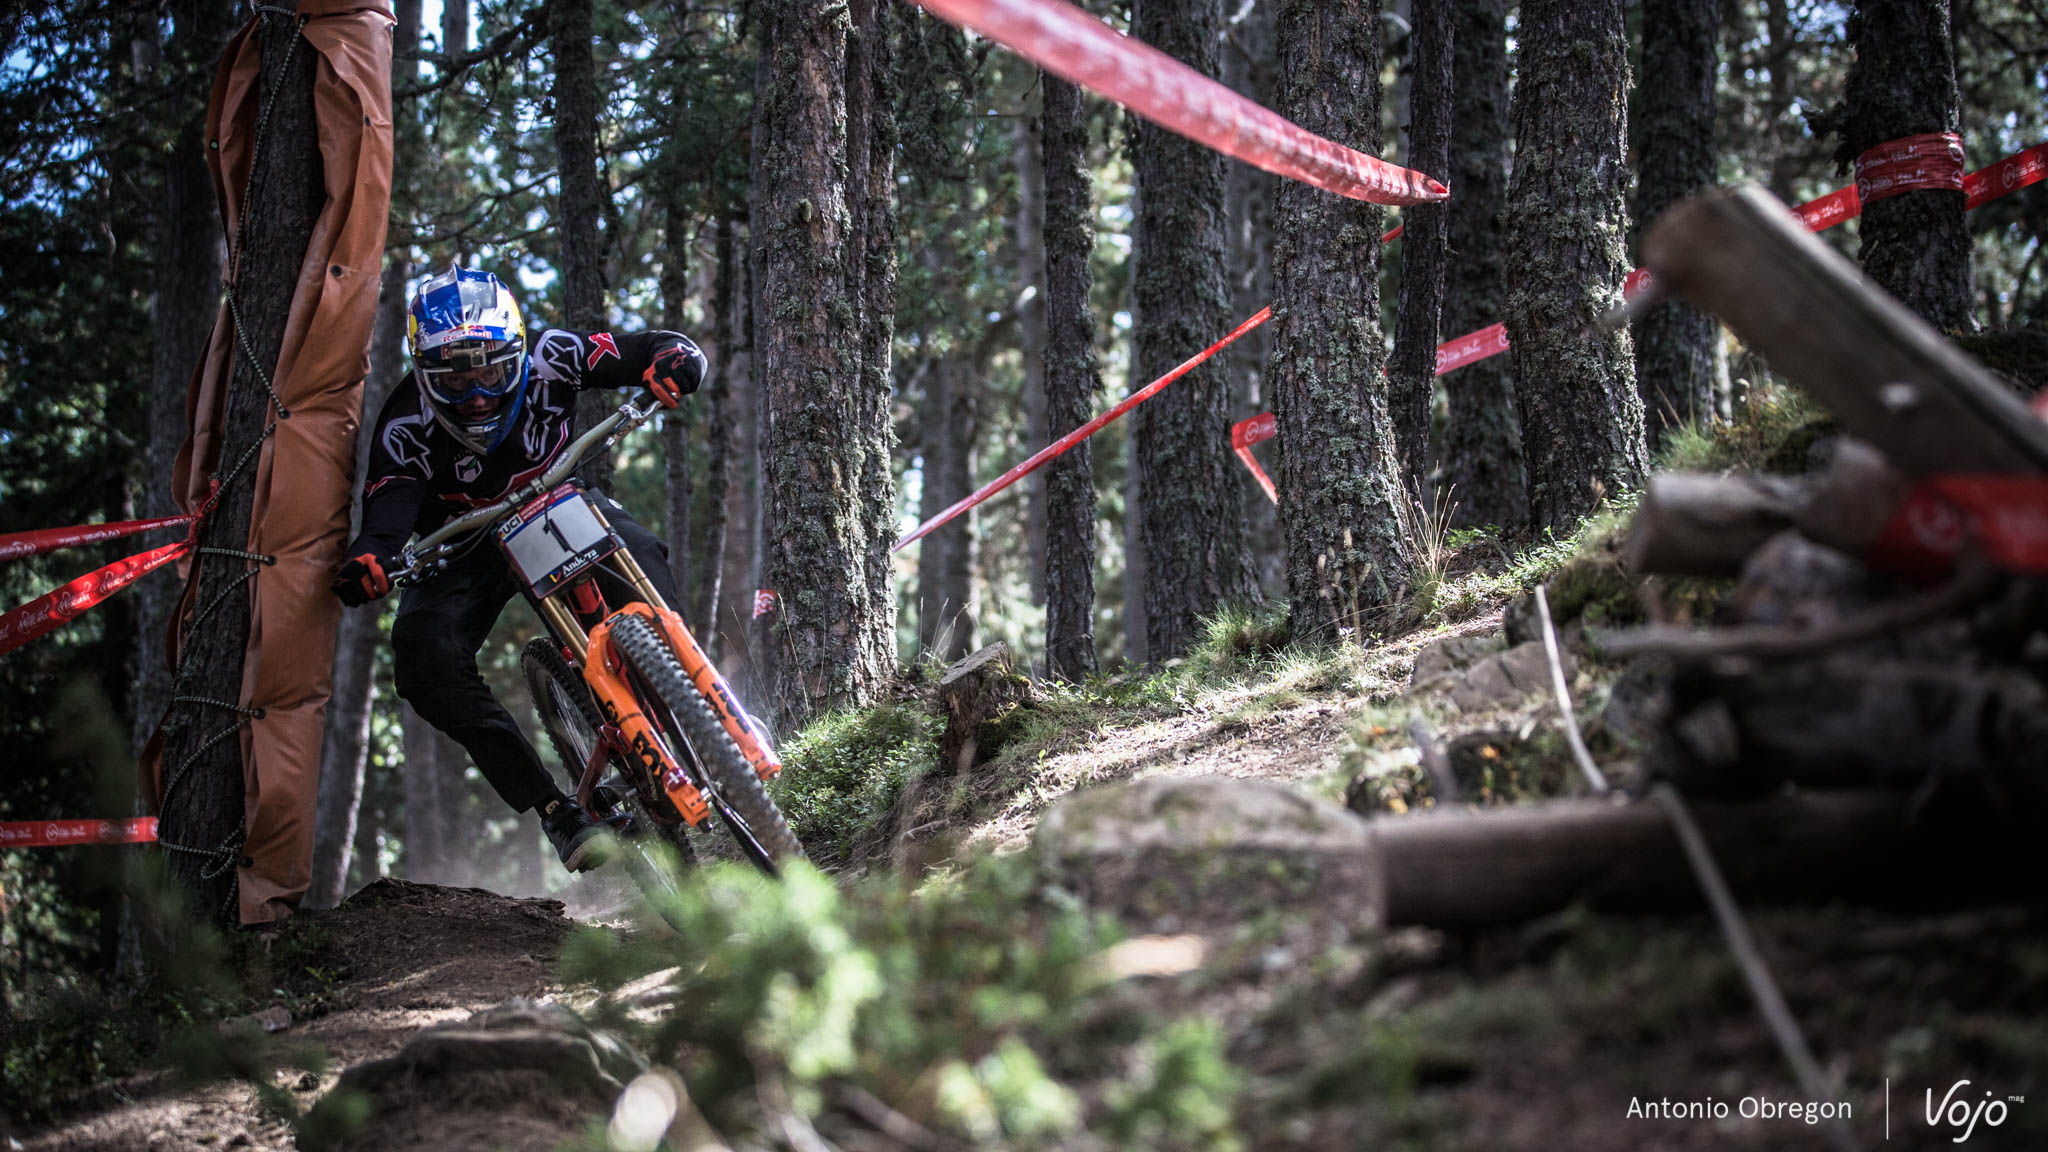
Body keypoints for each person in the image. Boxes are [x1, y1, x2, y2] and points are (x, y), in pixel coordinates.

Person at [331, 265, 705, 872]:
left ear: (520, 351)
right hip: (463, 543)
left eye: (491, 373)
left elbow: (647, 349)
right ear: (425, 378)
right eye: (456, 382)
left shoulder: (555, 355)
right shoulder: (405, 424)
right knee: (422, 657)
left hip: (554, 500)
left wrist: (674, 362)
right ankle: (555, 810)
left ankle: (682, 708)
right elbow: (387, 510)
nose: (477, 394)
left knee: (644, 557)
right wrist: (368, 558)